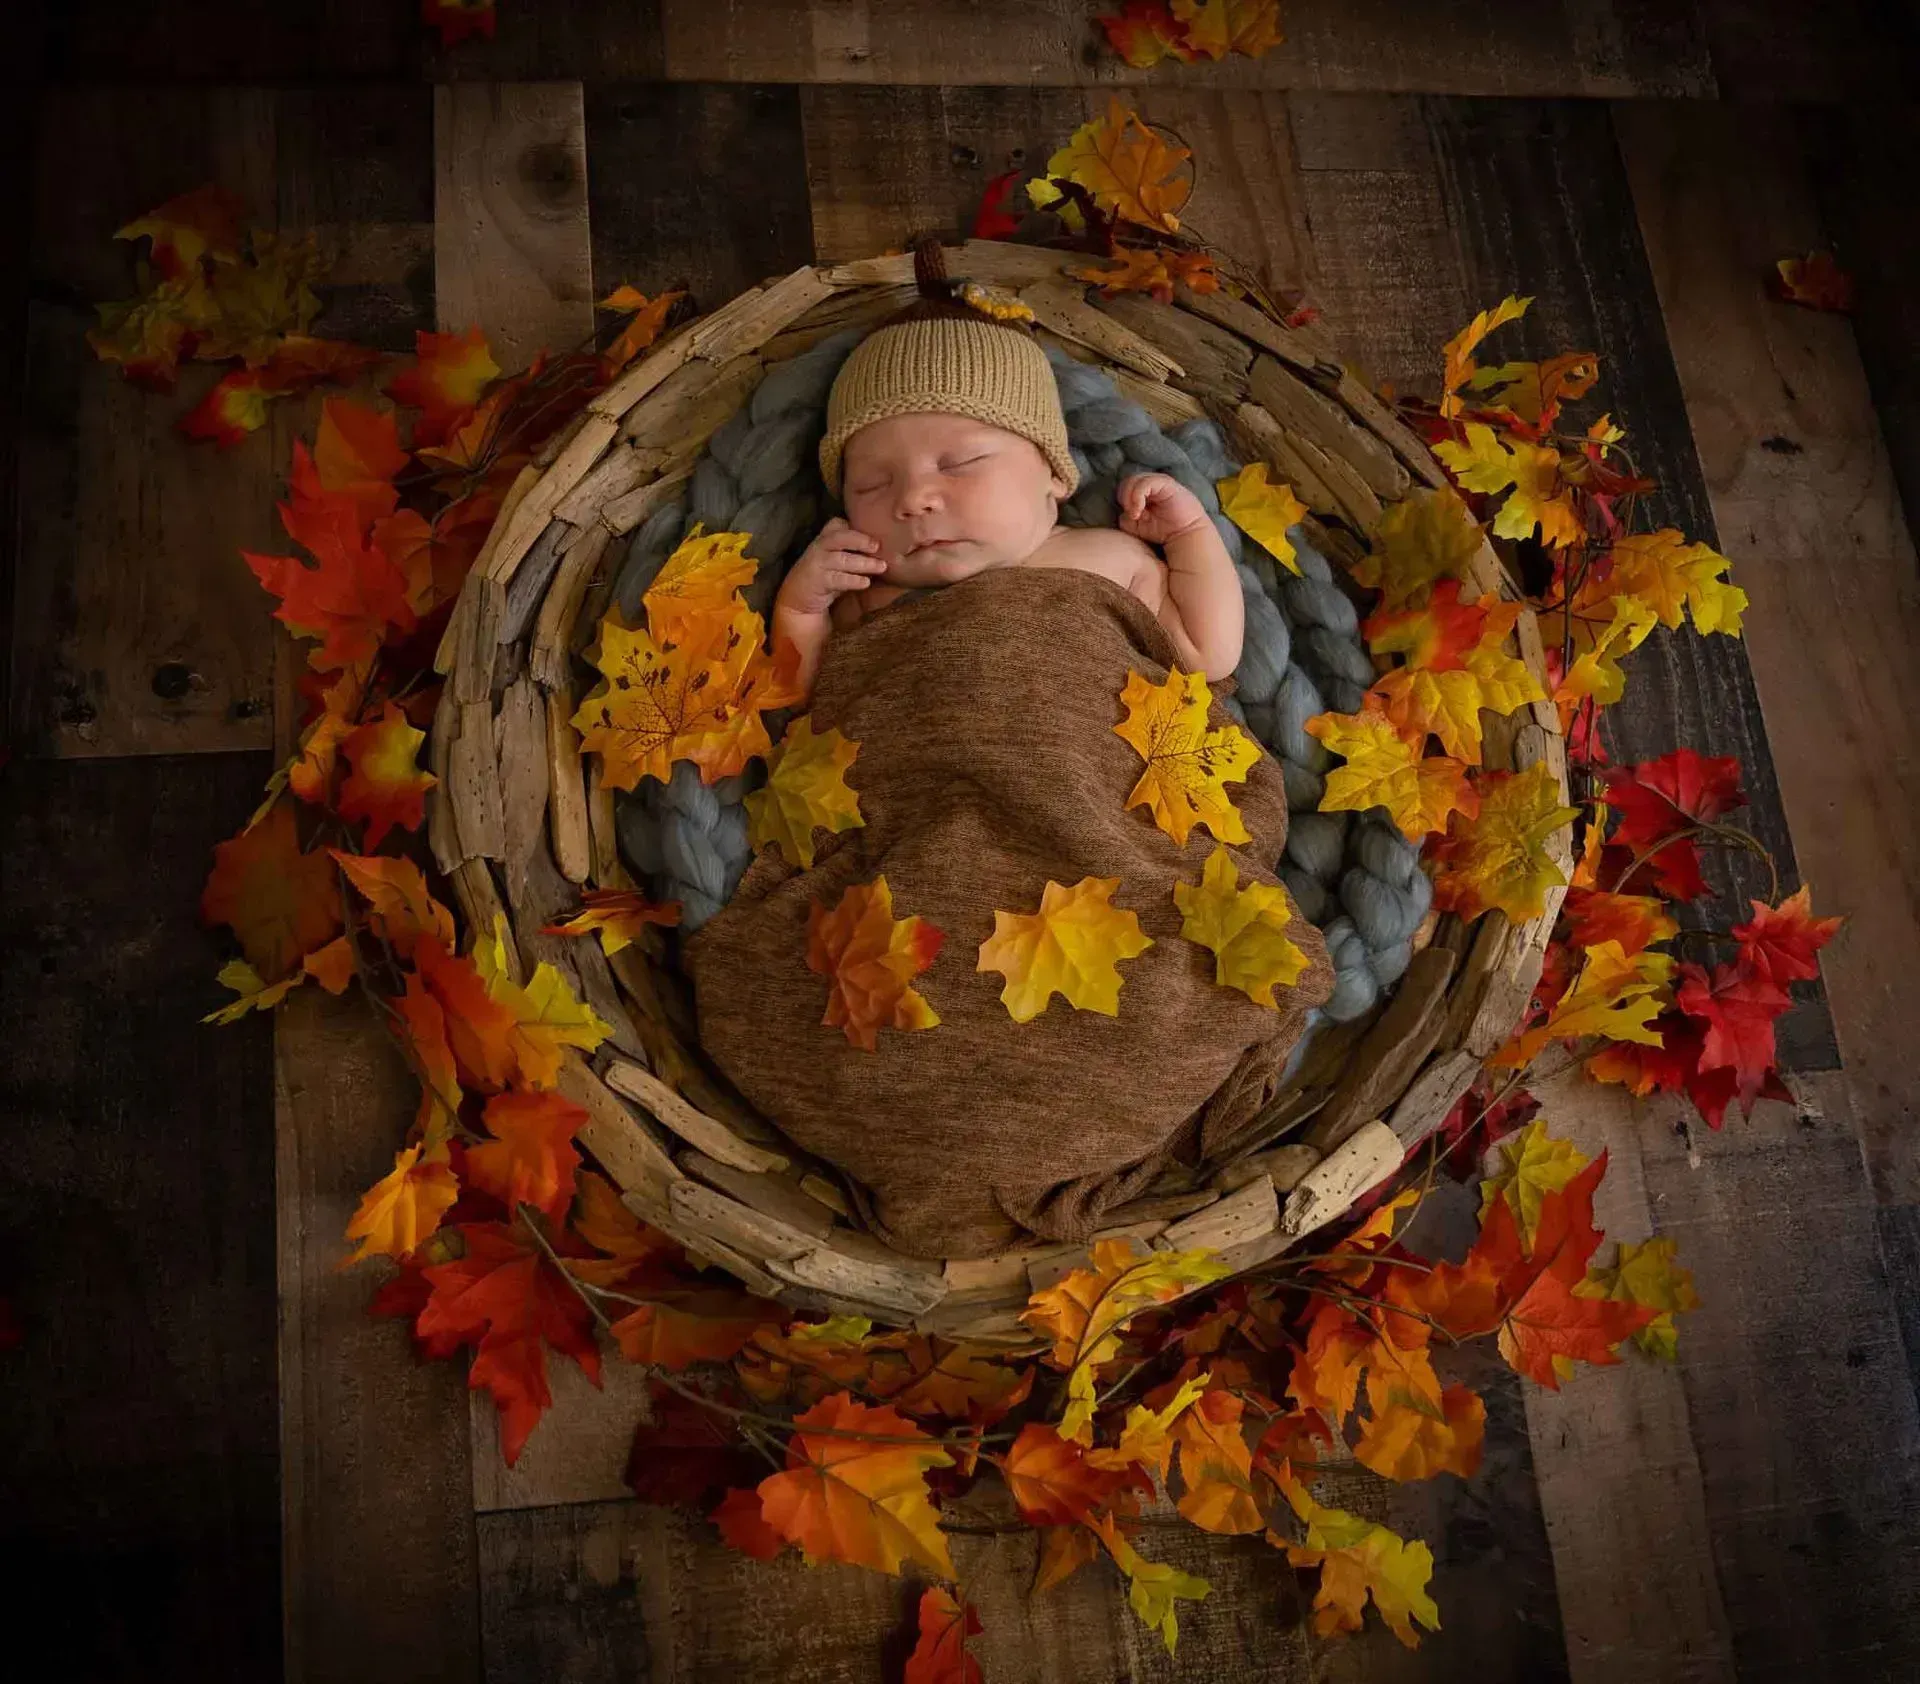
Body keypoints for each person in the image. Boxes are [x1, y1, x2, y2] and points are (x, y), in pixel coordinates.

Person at [770, 257, 1245, 698]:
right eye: (872, 485)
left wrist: (1189, 534)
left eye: (958, 464)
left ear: (1054, 473)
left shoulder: (1107, 560)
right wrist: (802, 611)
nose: (914, 499)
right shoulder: (867, 603)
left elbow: (1207, 655)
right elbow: (803, 698)